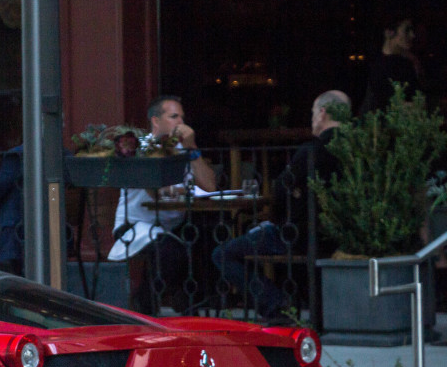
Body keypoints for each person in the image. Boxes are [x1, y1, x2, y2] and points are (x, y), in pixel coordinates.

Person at [212, 90, 349, 324]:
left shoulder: (311, 152)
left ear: (323, 114)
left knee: (223, 254)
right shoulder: (360, 150)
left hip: (298, 235)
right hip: (342, 236)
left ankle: (276, 305)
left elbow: (280, 193)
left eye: (313, 112)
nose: (312, 118)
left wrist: (273, 220)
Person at [107, 95, 218, 313]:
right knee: (171, 251)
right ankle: (145, 304)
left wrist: (192, 147)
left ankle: (193, 305)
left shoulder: (183, 150)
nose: (181, 123)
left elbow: (210, 187)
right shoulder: (140, 148)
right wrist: (178, 190)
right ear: (156, 121)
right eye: (174, 116)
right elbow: (155, 189)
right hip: (135, 226)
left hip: (171, 226)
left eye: (182, 118)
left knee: (209, 238)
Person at [359, 17, 421, 116]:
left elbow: (419, 102)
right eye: (407, 30)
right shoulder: (371, 66)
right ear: (389, 32)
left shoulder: (408, 65)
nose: (412, 35)